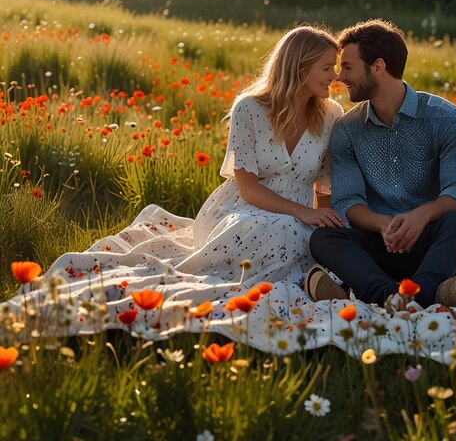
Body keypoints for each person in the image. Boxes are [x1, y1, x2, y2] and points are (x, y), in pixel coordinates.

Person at [40, 25, 345, 294]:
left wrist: (324, 222)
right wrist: (301, 213)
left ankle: (310, 282)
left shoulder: (331, 113)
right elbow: (248, 188)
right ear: (300, 68)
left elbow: (325, 184)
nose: (335, 76)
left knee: (311, 239)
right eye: (327, 68)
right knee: (286, 231)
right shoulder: (249, 109)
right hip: (243, 209)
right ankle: (296, 282)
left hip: (299, 213)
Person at [306, 19, 456, 309]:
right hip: (378, 244)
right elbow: (347, 202)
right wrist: (385, 225)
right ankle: (420, 295)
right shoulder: (347, 129)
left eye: (348, 67)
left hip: (433, 246)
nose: (340, 77)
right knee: (324, 238)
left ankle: (387, 295)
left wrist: (420, 216)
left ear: (377, 66)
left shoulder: (446, 118)